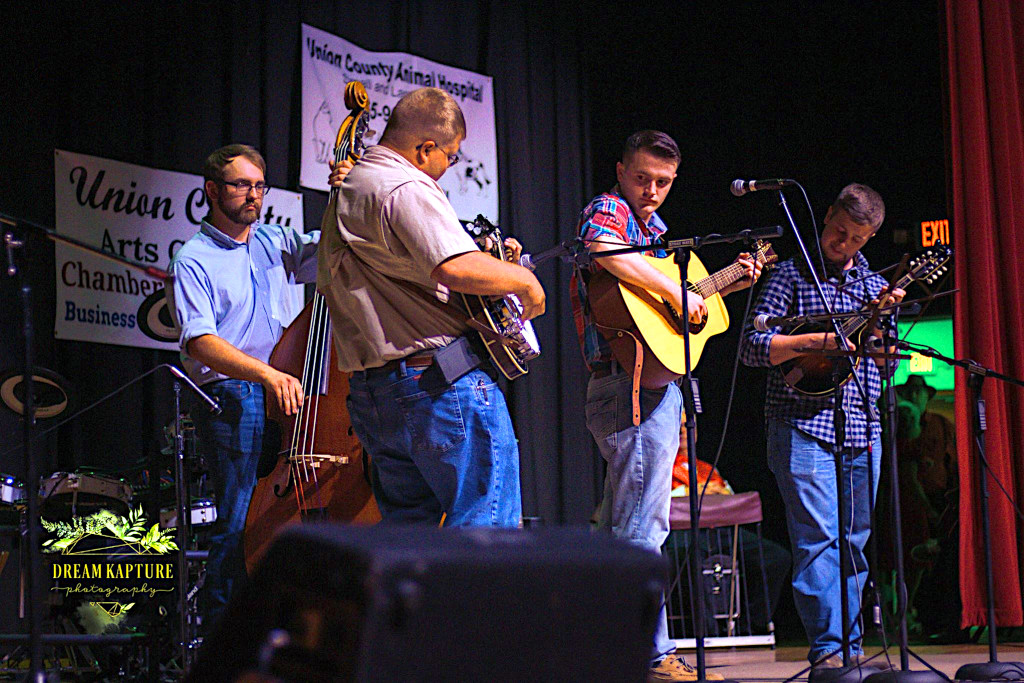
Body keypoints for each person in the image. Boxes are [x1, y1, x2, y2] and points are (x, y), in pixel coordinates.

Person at [571, 130, 760, 682]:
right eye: (641, 177)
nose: (651, 190)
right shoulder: (608, 211)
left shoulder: (658, 236)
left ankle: (605, 651)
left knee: (619, 529)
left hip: (652, 389)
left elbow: (679, 306)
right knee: (643, 529)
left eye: (663, 182)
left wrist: (714, 288)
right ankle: (651, 658)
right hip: (627, 390)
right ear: (620, 169)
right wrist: (679, 294)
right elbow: (604, 251)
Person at [317, 87, 545, 528]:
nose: (447, 169)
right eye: (450, 157)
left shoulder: (350, 188)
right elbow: (453, 267)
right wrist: (527, 282)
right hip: (438, 385)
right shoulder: (404, 185)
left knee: (411, 546)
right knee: (486, 534)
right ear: (425, 149)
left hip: (374, 393)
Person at [167, 144, 342, 629]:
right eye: (242, 184)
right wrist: (266, 374)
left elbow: (329, 251)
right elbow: (200, 341)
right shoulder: (193, 258)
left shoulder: (271, 241)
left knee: (282, 511)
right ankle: (224, 634)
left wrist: (340, 193)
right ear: (212, 191)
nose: (253, 195)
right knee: (241, 520)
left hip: (283, 390)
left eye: (260, 186)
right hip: (234, 395)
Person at [739, 183, 905, 668]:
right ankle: (829, 654)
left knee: (853, 541)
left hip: (861, 425)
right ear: (827, 215)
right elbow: (751, 346)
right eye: (838, 231)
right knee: (818, 539)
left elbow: (887, 366)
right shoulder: (791, 275)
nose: (843, 244)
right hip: (799, 425)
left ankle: (852, 650)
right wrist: (811, 342)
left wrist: (882, 340)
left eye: (856, 239)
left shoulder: (875, 289)